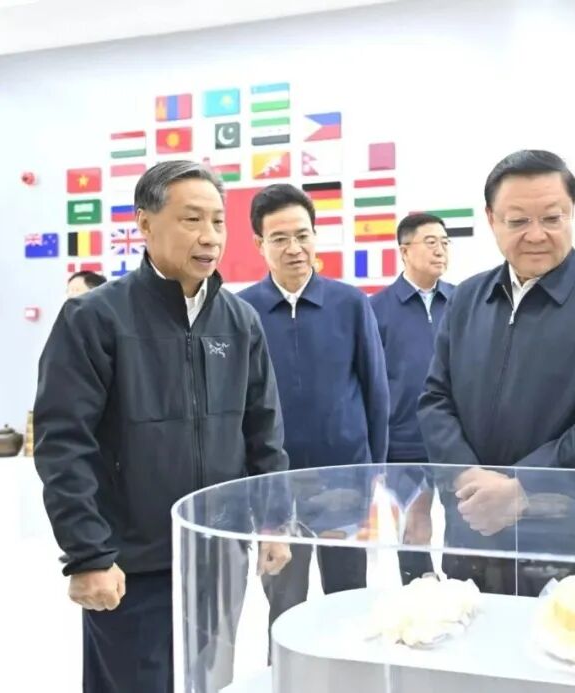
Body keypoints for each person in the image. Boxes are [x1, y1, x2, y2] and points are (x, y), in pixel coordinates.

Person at [34, 161, 292, 693]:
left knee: (209, 682)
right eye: (191, 219)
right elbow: (64, 446)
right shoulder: (95, 319)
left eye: (218, 221)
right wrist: (88, 554)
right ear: (145, 225)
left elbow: (263, 431)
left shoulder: (240, 321)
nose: (209, 236)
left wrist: (273, 518)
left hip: (216, 556)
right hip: (130, 566)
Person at [418, 149, 575, 594]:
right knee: (473, 629)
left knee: (567, 633)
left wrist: (522, 486)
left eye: (551, 218)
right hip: (473, 525)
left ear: (572, 213)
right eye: (518, 221)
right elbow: (435, 399)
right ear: (491, 219)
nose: (536, 235)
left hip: (566, 532)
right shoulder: (467, 299)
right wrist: (466, 475)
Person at [237, 183, 389, 634]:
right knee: (285, 605)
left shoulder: (350, 303)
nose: (294, 248)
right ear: (259, 244)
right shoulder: (242, 311)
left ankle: (347, 669)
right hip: (275, 488)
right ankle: (285, 671)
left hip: (345, 481)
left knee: (349, 598)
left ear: (316, 237)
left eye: (303, 235)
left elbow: (376, 390)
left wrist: (374, 470)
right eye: (280, 238)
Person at [370, 213, 454, 582]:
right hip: (403, 444)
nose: (440, 250)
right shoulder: (377, 309)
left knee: (467, 529)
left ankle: (462, 597)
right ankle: (420, 600)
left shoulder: (462, 301)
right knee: (416, 530)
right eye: (430, 242)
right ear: (404, 251)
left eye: (445, 243)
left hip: (455, 441)